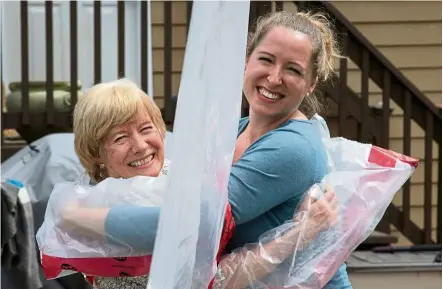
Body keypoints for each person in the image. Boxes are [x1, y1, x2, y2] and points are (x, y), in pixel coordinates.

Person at [45, 10, 352, 289]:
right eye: (267, 59)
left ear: (311, 84)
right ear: (247, 59)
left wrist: (72, 216)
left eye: (294, 70)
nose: (274, 77)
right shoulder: (234, 131)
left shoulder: (292, 147)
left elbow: (192, 225)